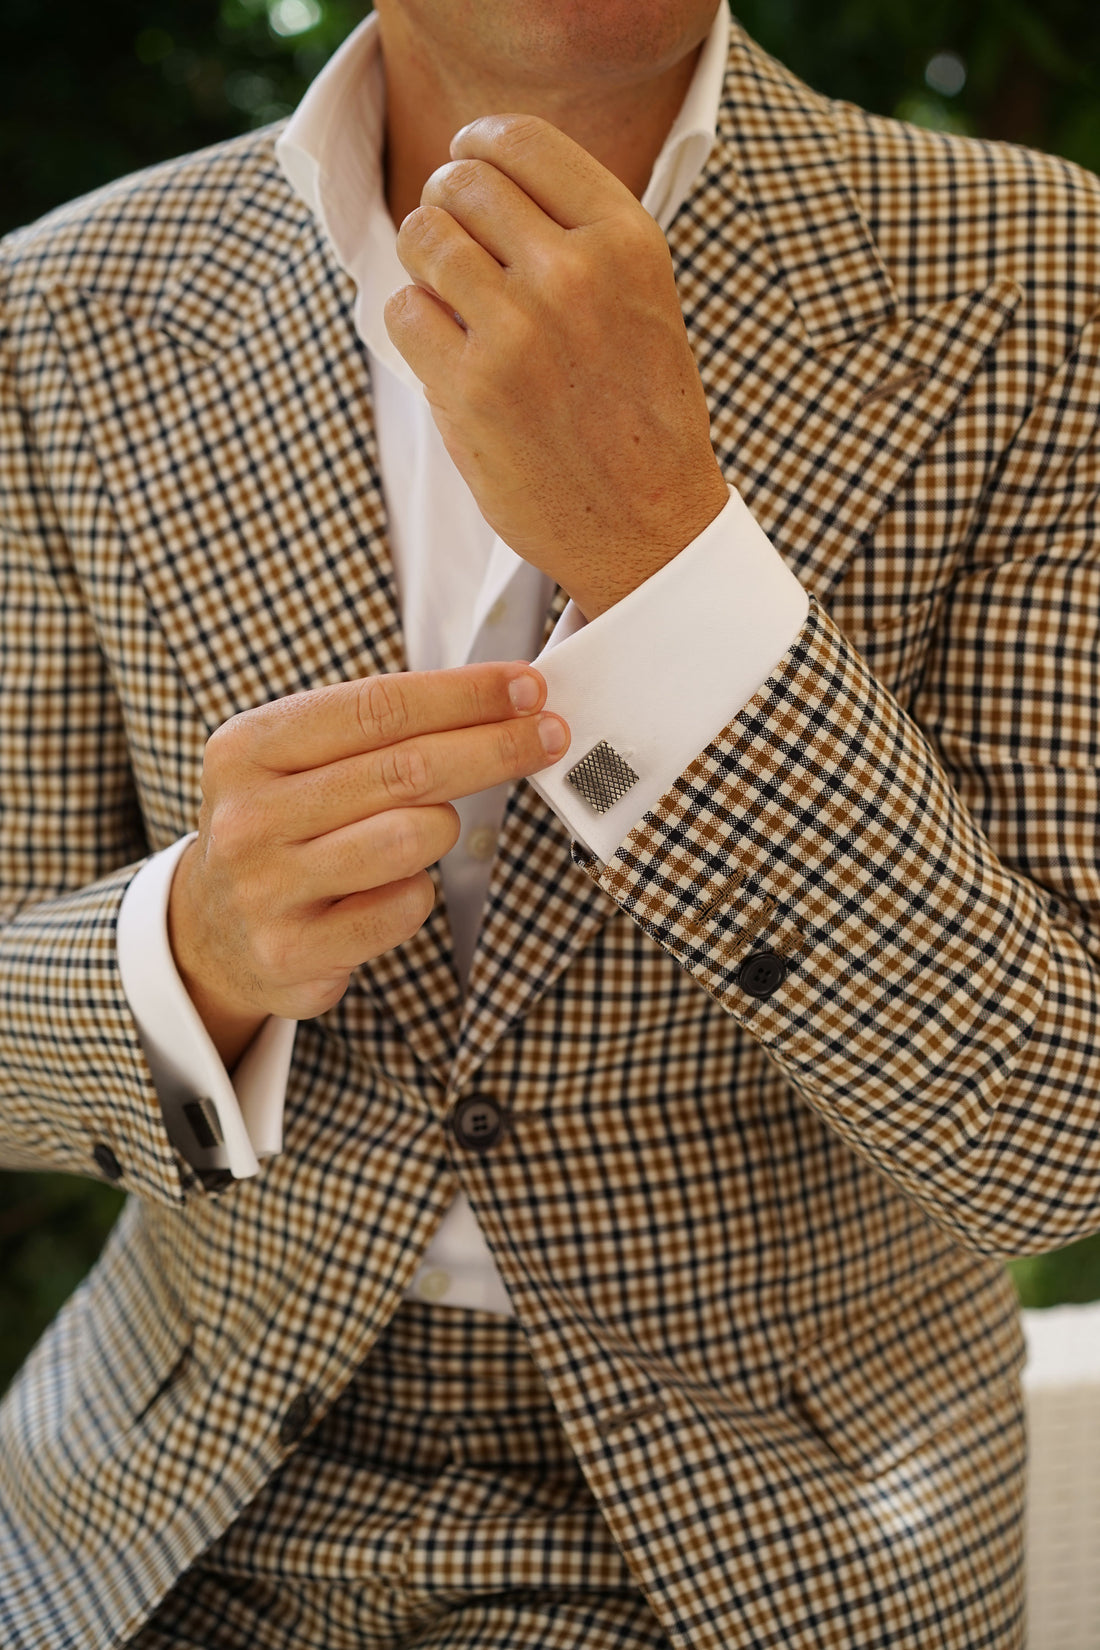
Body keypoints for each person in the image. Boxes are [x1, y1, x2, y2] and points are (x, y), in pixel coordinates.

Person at [1, 0, 1099, 1644]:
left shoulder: (1049, 279)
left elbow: (1057, 1132)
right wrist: (191, 953)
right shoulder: (57, 309)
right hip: (155, 1518)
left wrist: (668, 561)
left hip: (773, 1542)